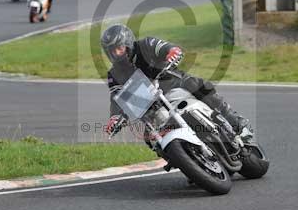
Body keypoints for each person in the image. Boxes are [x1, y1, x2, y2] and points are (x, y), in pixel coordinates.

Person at [101, 24, 254, 141]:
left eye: (119, 48)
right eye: (111, 51)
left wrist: (172, 52)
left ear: (128, 42)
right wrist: (115, 117)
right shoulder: (114, 74)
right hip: (151, 104)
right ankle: (190, 160)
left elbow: (165, 47)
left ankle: (237, 123)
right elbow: (117, 97)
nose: (116, 53)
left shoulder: (145, 44)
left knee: (199, 86)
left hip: (172, 82)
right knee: (150, 137)